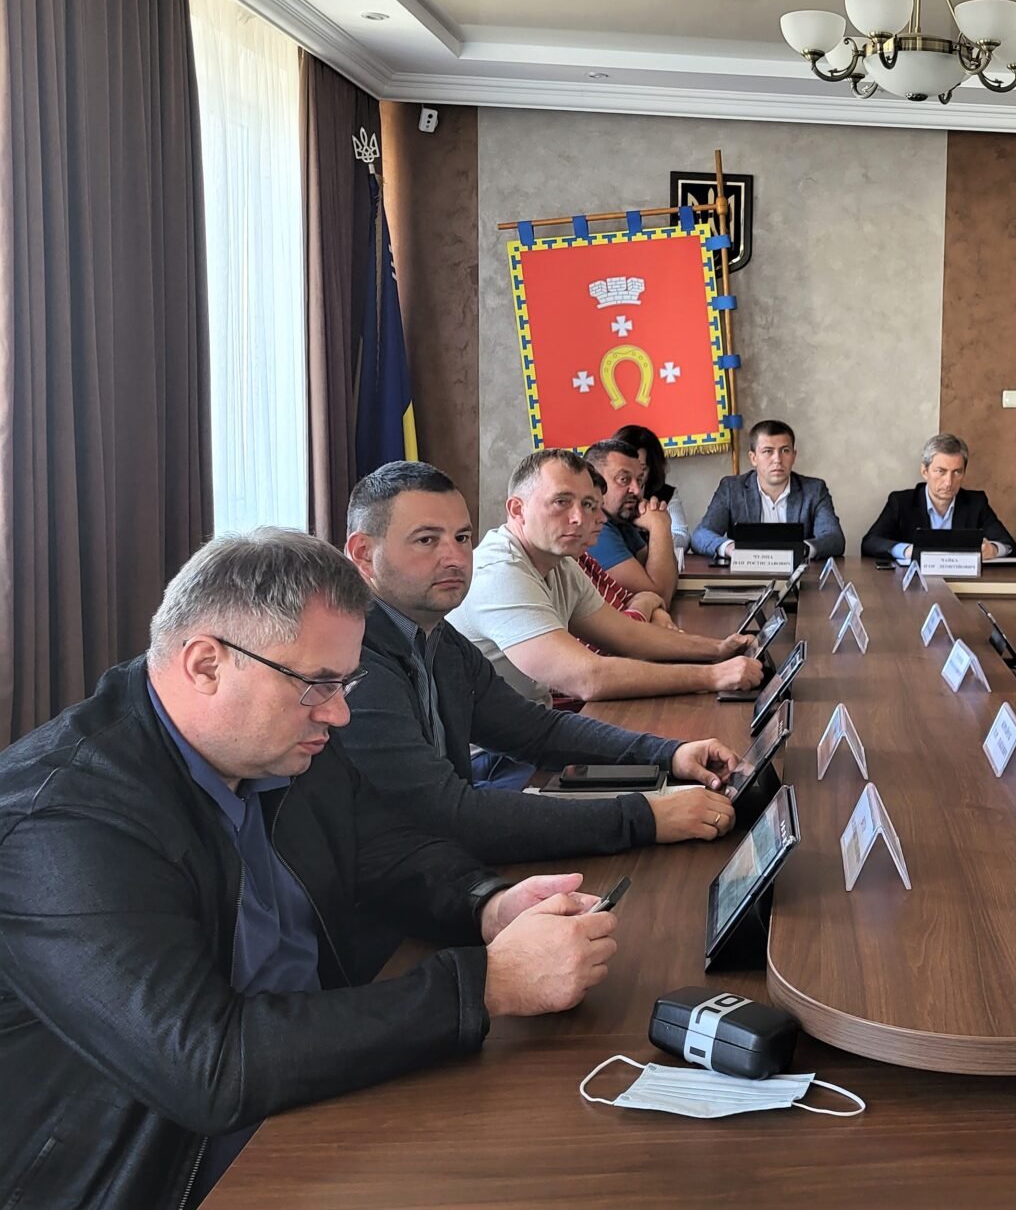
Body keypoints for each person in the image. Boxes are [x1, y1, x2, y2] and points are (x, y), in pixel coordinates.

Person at [0, 530, 621, 1208]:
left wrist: (488, 904)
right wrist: (486, 985)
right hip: (168, 1161)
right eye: (318, 684)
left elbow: (387, 848)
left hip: (310, 1071)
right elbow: (206, 1066)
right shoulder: (62, 820)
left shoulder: (277, 740)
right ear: (205, 665)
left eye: (346, 682)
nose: (339, 712)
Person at [340, 460, 740, 869]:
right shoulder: (351, 660)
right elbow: (450, 815)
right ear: (363, 554)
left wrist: (670, 754)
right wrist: (646, 817)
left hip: (440, 859)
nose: (455, 557)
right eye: (426, 540)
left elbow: (535, 730)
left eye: (461, 537)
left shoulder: (436, 635)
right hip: (397, 884)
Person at [448, 449, 763, 706]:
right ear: (517, 510)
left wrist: (718, 649)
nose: (580, 518)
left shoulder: (561, 563)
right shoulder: (499, 572)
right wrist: (713, 676)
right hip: (490, 757)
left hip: (535, 731)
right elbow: (588, 678)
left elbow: (628, 635)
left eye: (588, 504)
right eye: (561, 502)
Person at [690, 418, 846, 562]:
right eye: (768, 451)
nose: (777, 459)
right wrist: (730, 548)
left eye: (785, 451)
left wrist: (802, 549)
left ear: (794, 456)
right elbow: (700, 535)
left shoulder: (814, 490)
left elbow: (834, 539)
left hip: (798, 577)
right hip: (745, 576)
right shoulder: (731, 489)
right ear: (753, 458)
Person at [861, 432, 1016, 562]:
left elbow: (1009, 545)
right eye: (941, 471)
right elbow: (870, 542)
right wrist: (907, 551)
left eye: (957, 472)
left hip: (962, 582)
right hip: (914, 583)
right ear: (925, 472)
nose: (949, 482)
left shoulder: (975, 503)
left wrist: (993, 549)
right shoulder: (901, 502)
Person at [583, 437, 681, 603]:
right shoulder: (595, 528)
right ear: (595, 483)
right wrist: (659, 525)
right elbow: (660, 596)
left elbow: (668, 582)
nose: (636, 490)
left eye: (639, 480)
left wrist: (659, 524)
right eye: (624, 479)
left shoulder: (620, 521)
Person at [613, 423, 691, 551]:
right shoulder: (603, 498)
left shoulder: (664, 494)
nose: (634, 486)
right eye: (625, 473)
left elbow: (683, 538)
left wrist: (657, 525)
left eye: (641, 470)